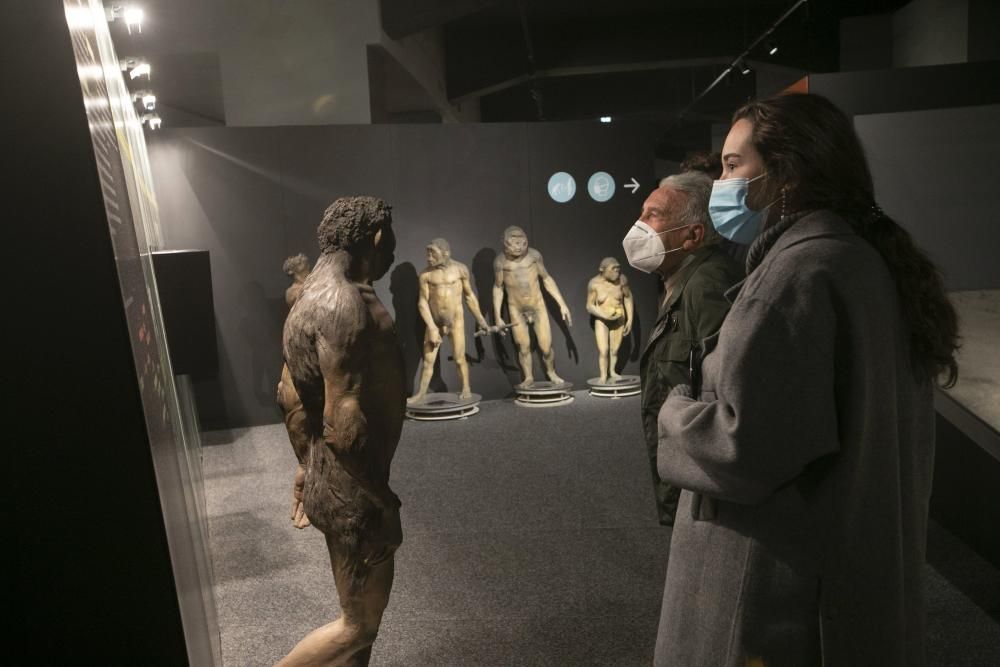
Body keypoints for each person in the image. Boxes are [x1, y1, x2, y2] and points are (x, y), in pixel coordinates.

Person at [653, 93, 959, 666]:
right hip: (852, 558)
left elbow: (748, 447)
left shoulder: (795, 277)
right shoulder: (863, 259)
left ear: (786, 173)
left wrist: (676, 413)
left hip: (780, 585)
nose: (721, 181)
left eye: (732, 164)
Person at [277, 196, 405, 666]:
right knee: (358, 625)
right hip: (353, 484)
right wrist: (380, 499)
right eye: (389, 238)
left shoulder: (312, 294)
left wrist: (303, 467)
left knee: (360, 625)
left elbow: (290, 394)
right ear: (376, 237)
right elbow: (343, 421)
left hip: (331, 472)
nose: (392, 248)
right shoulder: (344, 303)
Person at [622, 172, 743, 526]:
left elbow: (727, 392)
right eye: (641, 213)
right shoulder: (681, 280)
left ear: (692, 235)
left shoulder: (707, 285)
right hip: (690, 471)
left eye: (653, 215)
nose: (638, 225)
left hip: (705, 482)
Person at [409, 237, 492, 403]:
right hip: (435, 322)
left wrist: (482, 321)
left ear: (445, 253)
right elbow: (422, 302)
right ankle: (421, 393)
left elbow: (469, 297)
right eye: (428, 253)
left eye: (433, 253)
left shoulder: (460, 270)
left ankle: (466, 388)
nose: (428, 257)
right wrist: (432, 327)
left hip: (456, 321)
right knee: (428, 361)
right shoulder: (426, 275)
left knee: (460, 358)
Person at [493, 225, 572, 388]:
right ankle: (528, 377)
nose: (518, 246)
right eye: (513, 242)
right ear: (505, 243)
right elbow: (498, 288)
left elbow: (547, 279)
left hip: (537, 306)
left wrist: (562, 304)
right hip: (516, 308)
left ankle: (551, 372)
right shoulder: (500, 262)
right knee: (523, 347)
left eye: (520, 242)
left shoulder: (534, 256)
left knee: (546, 347)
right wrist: (497, 316)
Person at [586, 257, 634, 383]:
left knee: (614, 349)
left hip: (619, 318)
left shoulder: (622, 280)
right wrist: (604, 315)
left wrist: (630, 320)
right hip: (602, 320)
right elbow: (589, 305)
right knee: (603, 350)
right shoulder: (594, 284)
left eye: (618, 268)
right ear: (602, 270)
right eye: (613, 269)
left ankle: (612, 371)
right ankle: (603, 375)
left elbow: (628, 298)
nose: (617, 272)